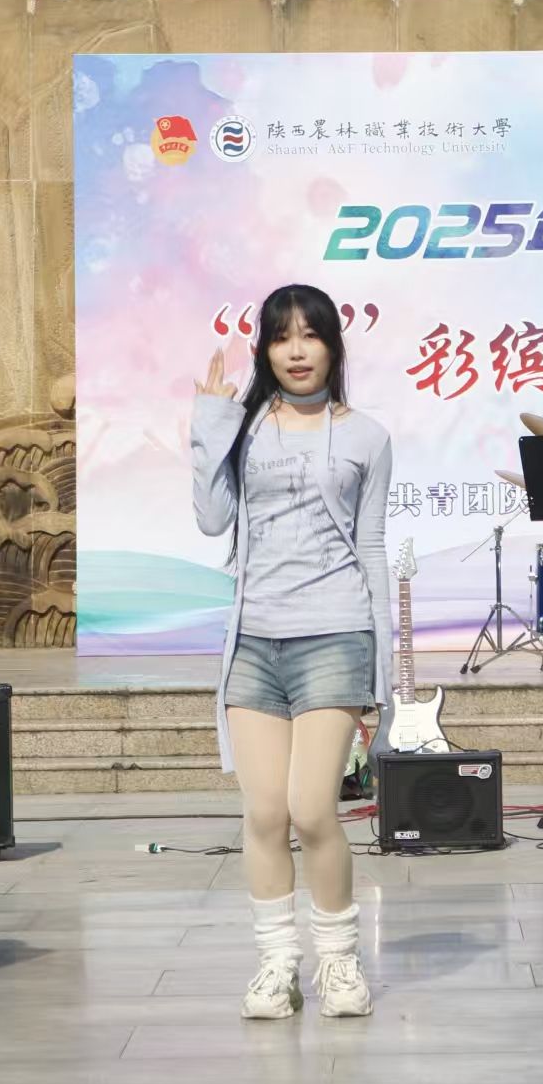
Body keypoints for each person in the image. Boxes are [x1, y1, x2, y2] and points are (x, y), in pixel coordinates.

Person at [190, 284, 393, 1020]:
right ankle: (278, 965)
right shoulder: (243, 429)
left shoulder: (367, 436)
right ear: (265, 351)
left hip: (334, 633)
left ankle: (338, 961)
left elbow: (372, 547)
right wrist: (208, 424)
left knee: (312, 811)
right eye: (282, 337)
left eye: (311, 335)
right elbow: (211, 519)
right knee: (265, 814)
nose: (297, 351)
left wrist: (384, 673)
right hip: (254, 641)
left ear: (334, 347)